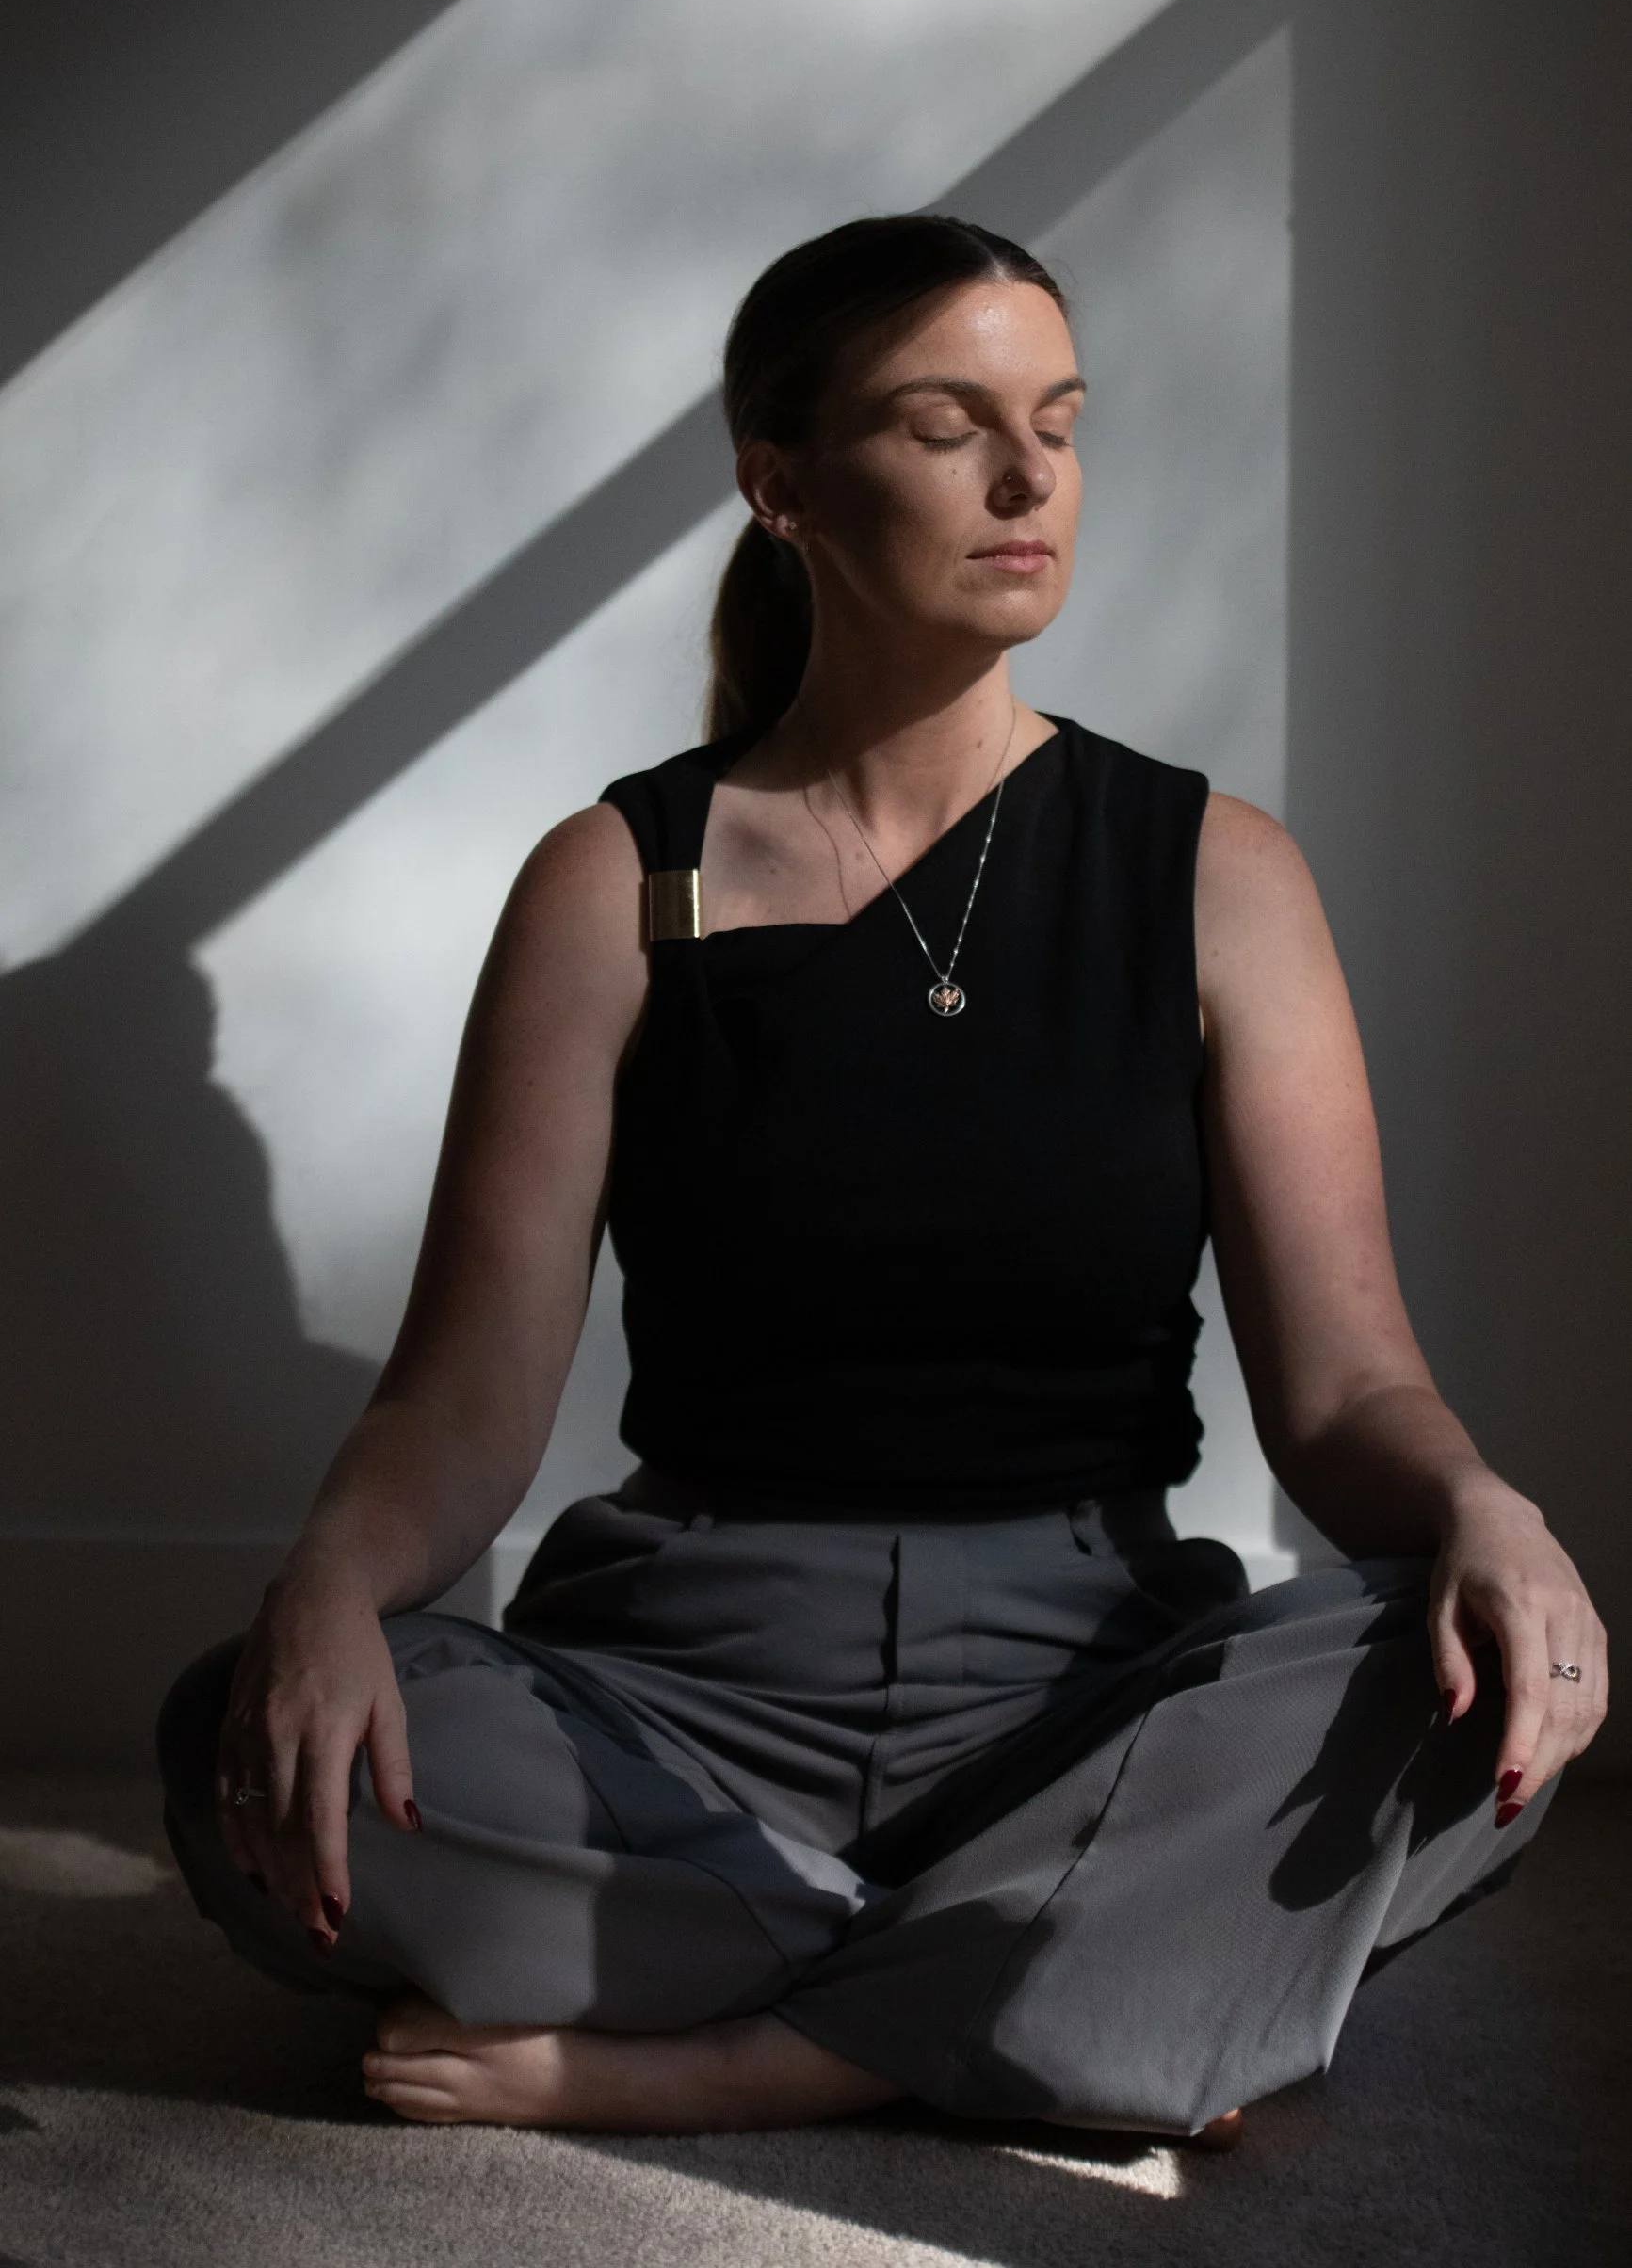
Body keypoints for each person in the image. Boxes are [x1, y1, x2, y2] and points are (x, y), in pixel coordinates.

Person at [158, 215, 1607, 2145]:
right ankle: (1087, 1988)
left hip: (1090, 1692)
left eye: (1058, 426)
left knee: (1463, 1663)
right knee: (238, 1733)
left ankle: (758, 2056)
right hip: (685, 1703)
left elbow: (1346, 1393)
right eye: (947, 427)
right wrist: (331, 1584)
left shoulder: (1218, 877)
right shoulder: (615, 883)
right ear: (781, 487)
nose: (1027, 481)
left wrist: (1489, 1508)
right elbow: (462, 1398)